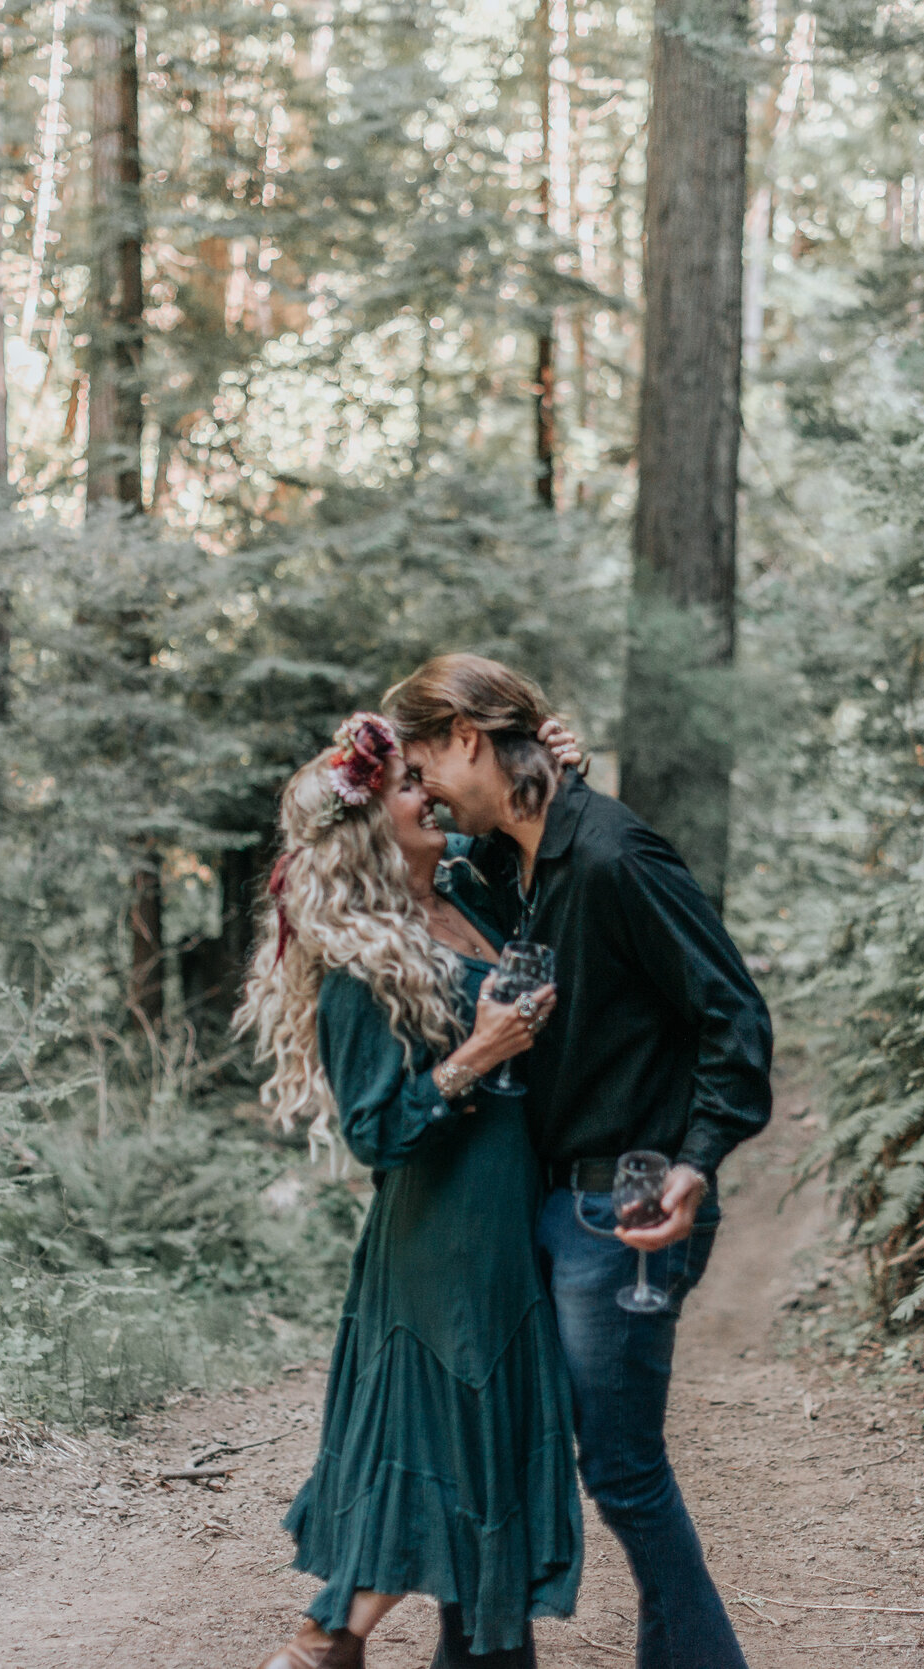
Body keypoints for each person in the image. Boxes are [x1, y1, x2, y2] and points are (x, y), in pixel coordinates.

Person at [386, 655, 775, 1669]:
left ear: (470, 738)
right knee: (518, 1446)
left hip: (625, 1207)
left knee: (623, 1468)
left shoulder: (612, 856)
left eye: (426, 765)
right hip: (554, 1207)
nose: (421, 791)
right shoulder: (527, 861)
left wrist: (693, 1162)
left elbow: (733, 1016)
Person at [236, 712, 582, 1669]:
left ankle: (343, 1640)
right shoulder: (361, 962)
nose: (425, 791)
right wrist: (476, 1054)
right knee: (464, 1453)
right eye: (402, 788)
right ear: (368, 831)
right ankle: (324, 1637)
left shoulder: (470, 889)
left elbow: (550, 864)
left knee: (490, 1458)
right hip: (443, 1235)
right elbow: (377, 1130)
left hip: (512, 1211)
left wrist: (550, 774)